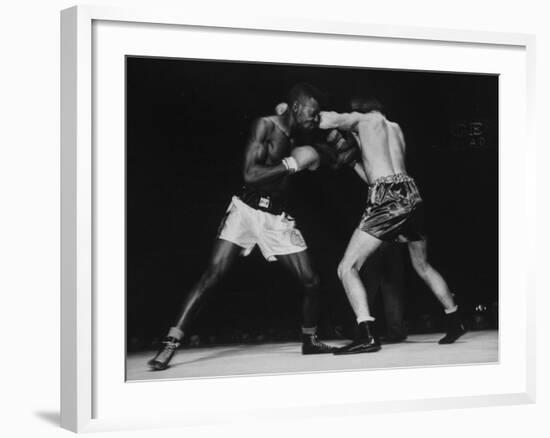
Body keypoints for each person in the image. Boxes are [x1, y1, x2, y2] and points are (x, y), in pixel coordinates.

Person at [148, 83, 335, 371]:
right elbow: (250, 174)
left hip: (276, 218)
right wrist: (290, 165)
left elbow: (321, 140)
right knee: (212, 275)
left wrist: (327, 144)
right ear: (297, 107)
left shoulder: (298, 131)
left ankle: (309, 340)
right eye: (312, 112)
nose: (315, 118)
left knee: (311, 282)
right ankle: (170, 343)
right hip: (246, 211)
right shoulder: (264, 125)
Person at [318, 104, 466, 355]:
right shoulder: (395, 129)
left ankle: (366, 335)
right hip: (411, 193)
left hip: (387, 198)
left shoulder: (363, 120)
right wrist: (353, 161)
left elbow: (322, 120)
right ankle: (455, 321)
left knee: (346, 267)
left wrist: (290, 110)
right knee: (422, 265)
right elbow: (376, 173)